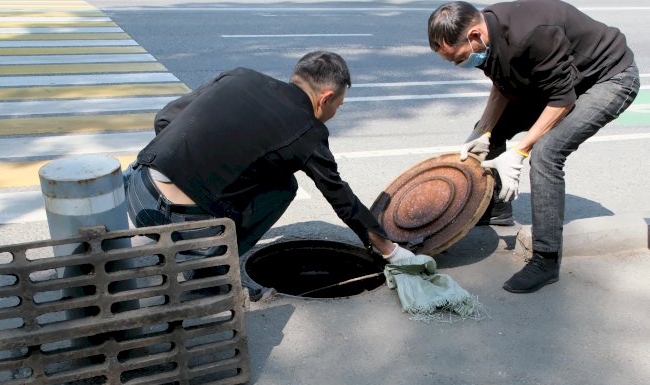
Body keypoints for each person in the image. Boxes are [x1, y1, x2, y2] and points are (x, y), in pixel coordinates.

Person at [124, 51, 413, 290]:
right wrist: (390, 251)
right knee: (285, 188)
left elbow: (164, 119)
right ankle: (212, 267)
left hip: (137, 192)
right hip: (181, 224)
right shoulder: (308, 132)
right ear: (325, 98)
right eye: (339, 104)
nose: (336, 112)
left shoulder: (240, 76)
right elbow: (341, 199)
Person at [428, 0, 639, 293]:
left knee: (546, 154)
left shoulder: (533, 34)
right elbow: (503, 87)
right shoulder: (489, 39)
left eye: (457, 58)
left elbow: (562, 100)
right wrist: (482, 132)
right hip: (561, 80)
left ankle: (546, 259)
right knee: (490, 135)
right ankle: (498, 209)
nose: (458, 64)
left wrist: (521, 149)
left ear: (474, 35)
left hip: (607, 78)